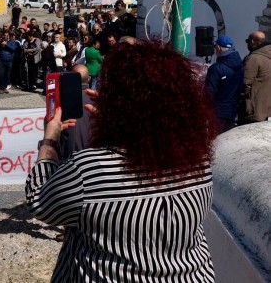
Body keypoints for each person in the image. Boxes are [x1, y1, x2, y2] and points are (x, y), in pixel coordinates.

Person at [26, 41, 217, 282]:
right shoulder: (199, 162)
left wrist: (50, 140)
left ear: (117, 101)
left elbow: (40, 202)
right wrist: (117, 125)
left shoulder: (89, 169)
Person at [205, 35, 243, 133]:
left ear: (218, 47)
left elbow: (209, 92)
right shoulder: (241, 66)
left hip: (217, 112)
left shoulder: (216, 68)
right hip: (233, 111)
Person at [58, 64, 93, 159]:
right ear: (89, 79)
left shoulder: (61, 99)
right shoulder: (97, 99)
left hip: (68, 155)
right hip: (93, 155)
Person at [239, 30, 271, 125]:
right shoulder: (267, 56)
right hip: (265, 109)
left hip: (252, 109)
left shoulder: (253, 58)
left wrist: (241, 101)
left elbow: (245, 83)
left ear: (252, 41)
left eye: (247, 41)